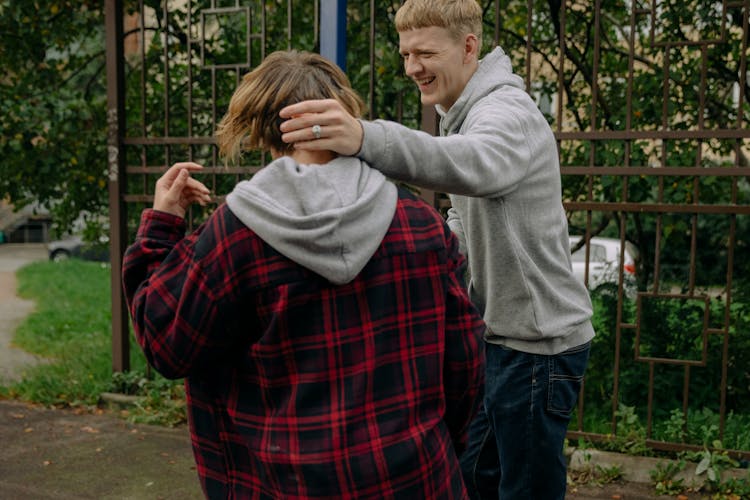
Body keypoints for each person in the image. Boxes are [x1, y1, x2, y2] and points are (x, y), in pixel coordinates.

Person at [121, 49, 485, 499]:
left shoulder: (237, 233)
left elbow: (165, 342)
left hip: (282, 485)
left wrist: (161, 225)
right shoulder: (420, 223)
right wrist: (438, 446)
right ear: (342, 113)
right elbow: (466, 362)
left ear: (258, 126)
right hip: (416, 479)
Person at [278, 1, 595, 498]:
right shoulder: (462, 112)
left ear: (469, 47)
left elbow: (473, 166)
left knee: (525, 489)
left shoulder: (504, 112)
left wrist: (364, 137)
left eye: (424, 53)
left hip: (538, 348)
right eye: (405, 54)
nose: (411, 68)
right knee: (469, 479)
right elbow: (462, 214)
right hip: (497, 339)